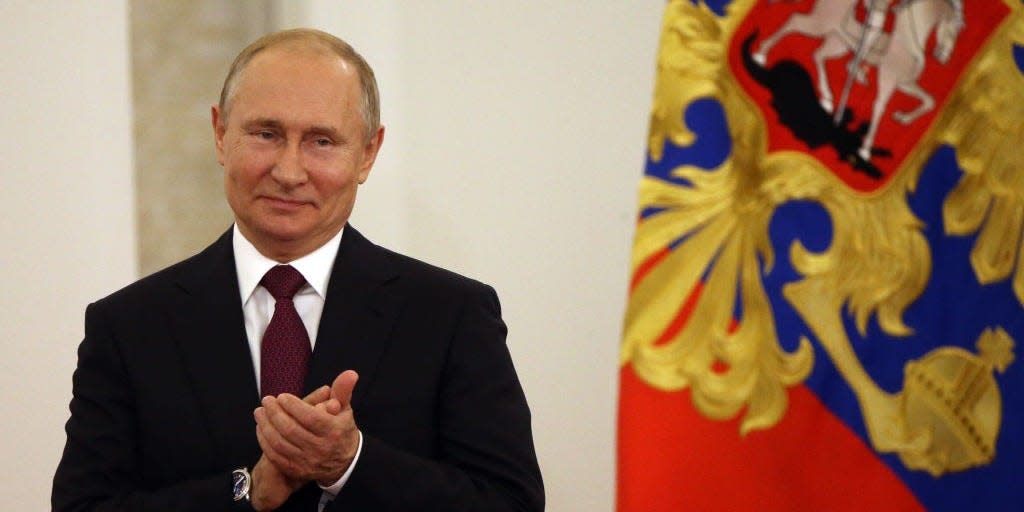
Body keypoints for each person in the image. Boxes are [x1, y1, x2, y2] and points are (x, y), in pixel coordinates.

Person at [52, 28, 544, 512]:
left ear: (367, 153)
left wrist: (350, 463)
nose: (289, 172)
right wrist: (247, 490)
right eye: (266, 134)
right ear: (221, 134)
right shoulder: (128, 326)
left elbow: (512, 502)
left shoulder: (449, 314)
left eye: (322, 141)